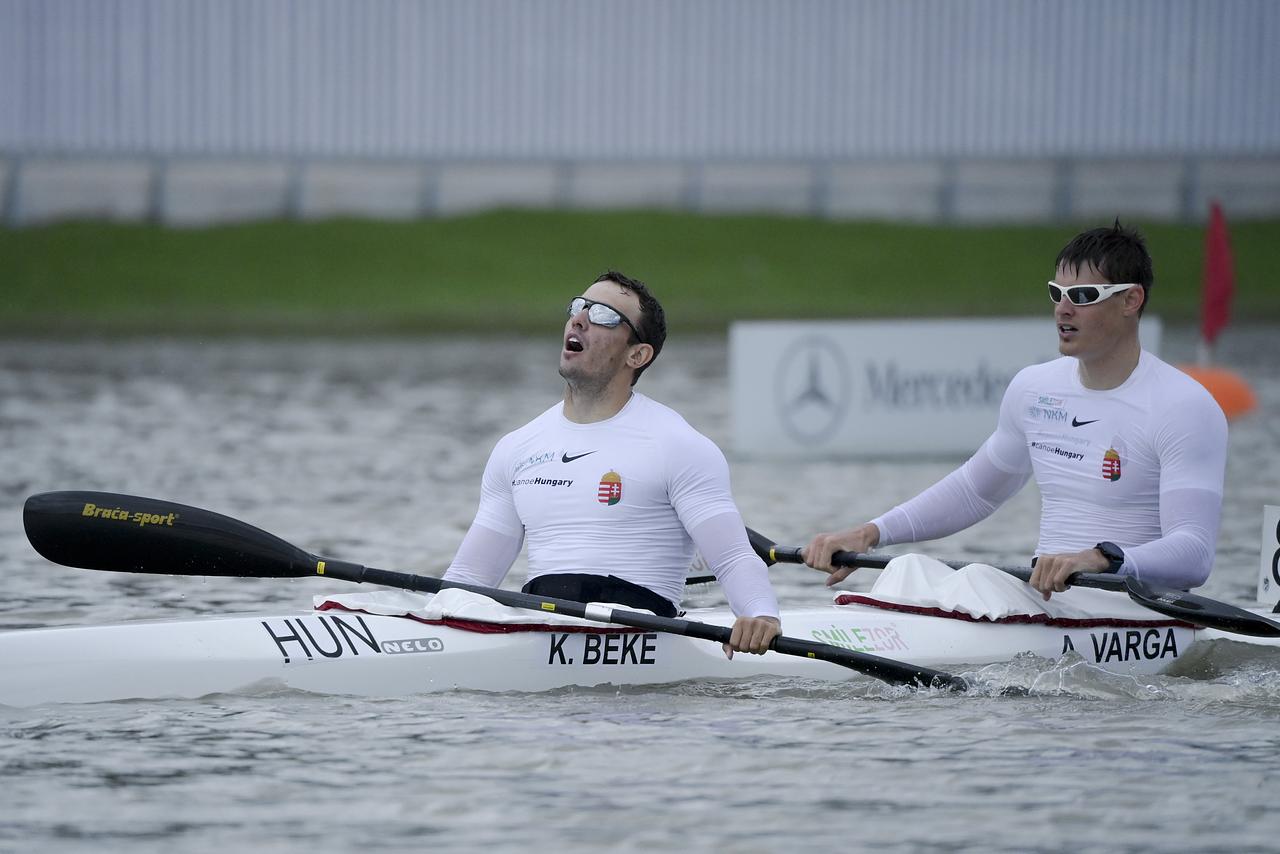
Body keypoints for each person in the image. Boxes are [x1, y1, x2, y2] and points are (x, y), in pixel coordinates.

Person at [804, 221, 1228, 599]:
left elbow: (1194, 554)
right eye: (1057, 293)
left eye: (1083, 296)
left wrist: (1102, 558)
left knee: (970, 581)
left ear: (1131, 300)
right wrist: (871, 533)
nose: (1063, 309)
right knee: (911, 571)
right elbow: (974, 491)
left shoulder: (1183, 406)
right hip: (1050, 605)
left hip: (1135, 611)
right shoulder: (1035, 388)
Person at [444, 271, 782, 655]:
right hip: (540, 623)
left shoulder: (679, 446)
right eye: (578, 306)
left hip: (641, 631)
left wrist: (761, 616)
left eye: (603, 315)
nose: (579, 319)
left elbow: (733, 557)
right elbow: (470, 576)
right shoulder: (516, 447)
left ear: (637, 355)